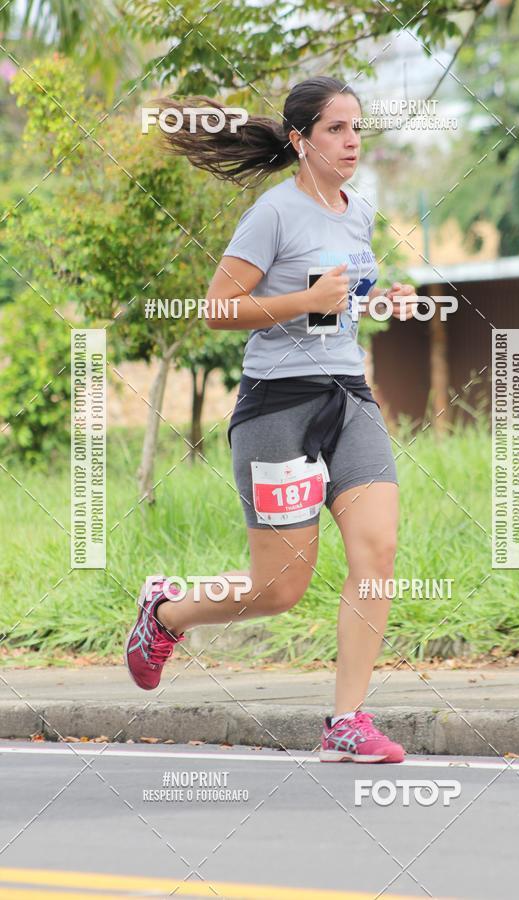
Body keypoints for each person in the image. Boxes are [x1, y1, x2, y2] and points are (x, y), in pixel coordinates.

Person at [125, 76, 418, 763]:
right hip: (276, 407)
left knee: (377, 553)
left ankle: (346, 721)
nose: (352, 142)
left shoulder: (359, 210)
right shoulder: (273, 214)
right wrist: (305, 297)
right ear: (300, 140)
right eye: (336, 130)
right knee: (279, 589)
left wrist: (382, 301)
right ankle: (164, 614)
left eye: (356, 128)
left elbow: (335, 306)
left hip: (347, 397)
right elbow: (219, 306)